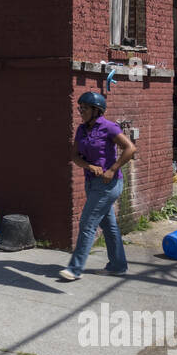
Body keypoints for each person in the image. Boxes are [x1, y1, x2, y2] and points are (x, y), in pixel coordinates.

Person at [61, 92, 137, 281]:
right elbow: (75, 156)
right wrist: (89, 166)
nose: (81, 111)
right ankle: (118, 266)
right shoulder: (82, 130)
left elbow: (130, 148)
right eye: (80, 108)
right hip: (91, 183)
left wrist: (112, 169)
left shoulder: (109, 127)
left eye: (84, 108)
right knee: (109, 226)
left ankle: (75, 269)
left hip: (108, 184)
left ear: (96, 110)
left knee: (87, 223)